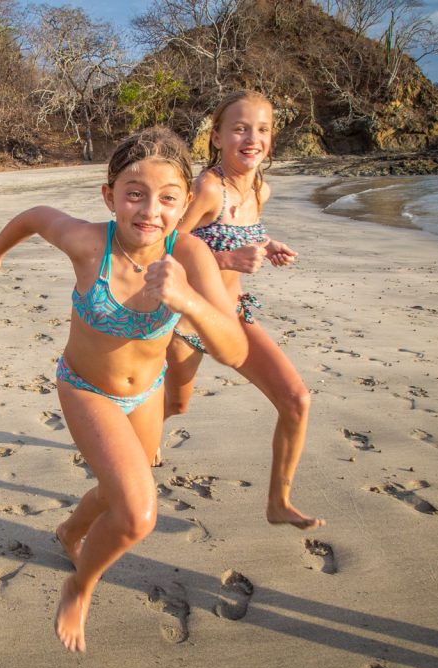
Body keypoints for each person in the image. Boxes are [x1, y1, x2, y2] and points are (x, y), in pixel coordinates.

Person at [0, 127, 248, 653]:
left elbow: (235, 348)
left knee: (117, 486)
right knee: (137, 513)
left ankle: (68, 534)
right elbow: (35, 216)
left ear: (186, 202)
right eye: (134, 193)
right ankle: (79, 586)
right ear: (110, 196)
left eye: (168, 198)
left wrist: (188, 302)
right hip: (85, 388)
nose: (150, 210)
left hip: (146, 393)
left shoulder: (190, 254)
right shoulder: (86, 243)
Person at [164, 90, 324, 530]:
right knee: (177, 406)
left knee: (296, 401)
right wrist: (224, 260)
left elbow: (239, 233)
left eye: (262, 129)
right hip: (187, 321)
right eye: (239, 128)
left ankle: (279, 502)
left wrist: (266, 245)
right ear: (216, 137)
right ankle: (144, 430)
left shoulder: (259, 188)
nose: (252, 138)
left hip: (234, 317)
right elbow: (160, 249)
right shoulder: (207, 189)